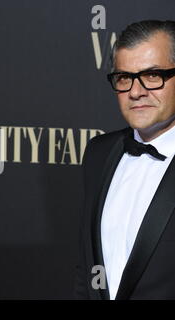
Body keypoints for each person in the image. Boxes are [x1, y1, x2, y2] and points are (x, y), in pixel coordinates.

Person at [76, 20, 175, 300]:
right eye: (124, 78)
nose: (135, 91)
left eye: (153, 75)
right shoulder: (99, 153)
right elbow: (86, 267)